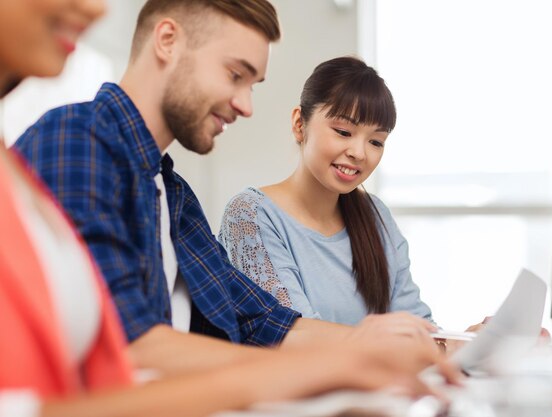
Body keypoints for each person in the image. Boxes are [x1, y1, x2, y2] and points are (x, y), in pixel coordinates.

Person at [0, 1, 459, 416]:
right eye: (235, 75)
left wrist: (385, 348)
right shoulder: (78, 140)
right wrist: (337, 365)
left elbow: (260, 319)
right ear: (167, 40)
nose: (246, 105)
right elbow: (128, 345)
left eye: (253, 84)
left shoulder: (173, 193)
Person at [219, 56, 433, 325]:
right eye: (343, 132)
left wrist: (460, 343)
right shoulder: (251, 215)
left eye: (376, 141)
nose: (359, 153)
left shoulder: (376, 215)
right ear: (300, 124)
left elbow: (415, 324)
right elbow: (293, 333)